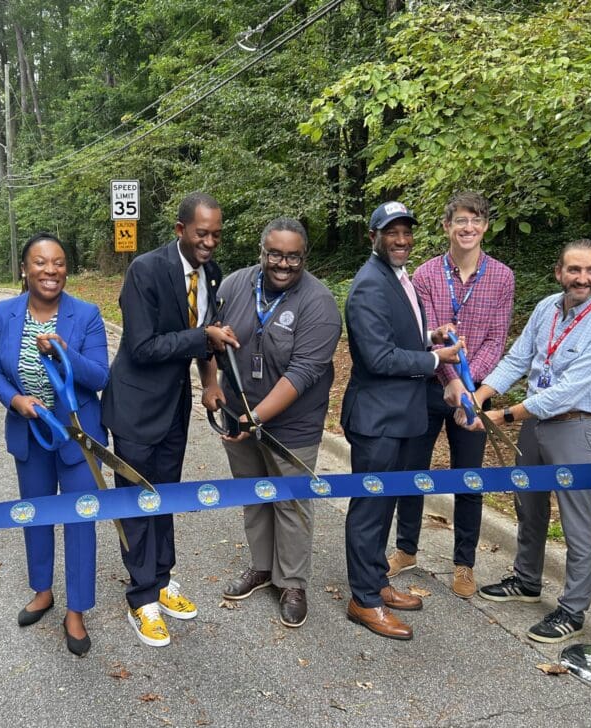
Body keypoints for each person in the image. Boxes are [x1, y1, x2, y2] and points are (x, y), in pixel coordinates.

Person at [460, 239, 591, 643]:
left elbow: (568, 391)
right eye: (574, 270)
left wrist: (505, 415)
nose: (581, 278)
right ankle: (527, 580)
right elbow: (519, 358)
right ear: (559, 271)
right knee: (529, 506)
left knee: (578, 525)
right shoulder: (546, 307)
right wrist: (481, 394)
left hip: (576, 427)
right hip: (536, 427)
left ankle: (572, 610)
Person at [101, 192, 239, 647]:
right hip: (137, 407)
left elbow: (206, 342)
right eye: (202, 234)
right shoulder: (145, 270)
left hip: (175, 405)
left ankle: (161, 580)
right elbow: (142, 347)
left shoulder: (211, 275)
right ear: (180, 230)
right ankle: (141, 599)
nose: (210, 243)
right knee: (138, 503)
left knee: (167, 498)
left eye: (216, 234)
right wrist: (203, 336)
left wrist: (211, 383)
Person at [200, 217, 341, 628]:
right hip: (236, 414)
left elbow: (303, 373)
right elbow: (208, 339)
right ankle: (263, 567)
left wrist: (256, 417)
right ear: (262, 252)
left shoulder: (320, 303)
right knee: (254, 492)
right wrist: (210, 384)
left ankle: (293, 581)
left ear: (304, 257)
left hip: (292, 423)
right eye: (275, 254)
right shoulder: (233, 286)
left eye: (293, 256)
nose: (283, 263)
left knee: (292, 501)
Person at [341, 201, 463, 641]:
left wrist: (431, 336)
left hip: (400, 415)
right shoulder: (368, 286)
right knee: (370, 508)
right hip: (377, 418)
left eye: (407, 232)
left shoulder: (396, 277)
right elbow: (376, 356)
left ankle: (376, 582)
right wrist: (435, 357)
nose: (402, 240)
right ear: (373, 236)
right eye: (391, 232)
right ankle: (363, 601)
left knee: (386, 502)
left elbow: (397, 335)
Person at [0, 233, 107, 656]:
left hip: (76, 436)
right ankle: (42, 590)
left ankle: (76, 609)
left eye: (58, 263)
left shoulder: (86, 315)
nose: (50, 270)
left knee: (78, 520)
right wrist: (17, 401)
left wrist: (62, 354)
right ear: (24, 268)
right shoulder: (4, 314)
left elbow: (100, 377)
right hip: (30, 434)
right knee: (34, 514)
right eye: (40, 262)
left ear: (65, 269)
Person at [388, 192, 515, 598]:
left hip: (476, 394)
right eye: (460, 220)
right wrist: (447, 379)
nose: (468, 228)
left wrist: (467, 385)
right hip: (426, 388)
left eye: (476, 221)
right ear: (447, 226)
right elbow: (421, 337)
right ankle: (406, 548)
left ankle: (464, 563)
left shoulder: (502, 277)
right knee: (412, 471)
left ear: (486, 227)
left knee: (469, 478)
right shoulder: (423, 275)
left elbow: (497, 339)